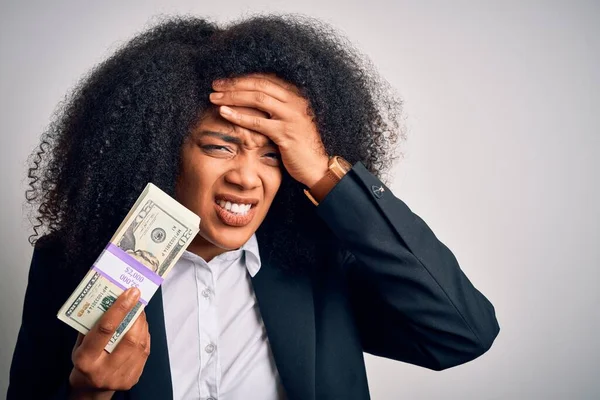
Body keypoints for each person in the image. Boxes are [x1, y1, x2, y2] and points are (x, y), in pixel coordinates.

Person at [8, 15, 500, 400]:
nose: (247, 177)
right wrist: (88, 392)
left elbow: (462, 333)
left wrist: (322, 170)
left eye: (272, 154)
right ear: (160, 152)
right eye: (219, 147)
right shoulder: (71, 261)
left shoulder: (322, 265)